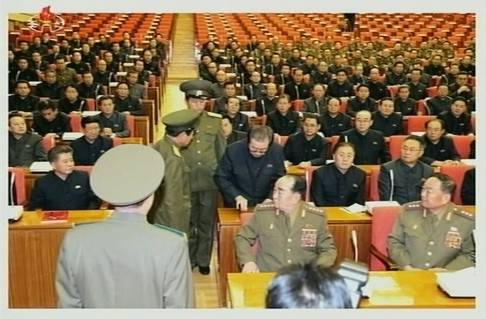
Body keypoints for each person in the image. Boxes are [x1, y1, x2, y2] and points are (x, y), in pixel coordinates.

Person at [55, 144, 194, 308]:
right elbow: (179, 307)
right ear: (152, 195)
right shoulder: (171, 244)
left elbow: (68, 304)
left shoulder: (75, 239)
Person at [234, 174, 337, 272]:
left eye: (280, 192)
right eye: (274, 191)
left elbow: (328, 249)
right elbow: (242, 237)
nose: (274, 196)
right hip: (268, 275)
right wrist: (248, 261)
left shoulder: (316, 217)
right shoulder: (263, 213)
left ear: (295, 198)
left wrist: (317, 270)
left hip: (302, 277)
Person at [179, 79, 226, 275]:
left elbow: (221, 151)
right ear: (186, 101)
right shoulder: (177, 121)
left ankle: (203, 259)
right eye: (194, 101)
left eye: (202, 101)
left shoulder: (214, 121)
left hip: (208, 181)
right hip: (186, 181)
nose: (198, 105)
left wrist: (220, 177)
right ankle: (189, 259)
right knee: (188, 223)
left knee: (206, 223)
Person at [387, 173, 475, 271]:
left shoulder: (466, 221)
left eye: (429, 191)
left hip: (446, 280)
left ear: (446, 197)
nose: (422, 194)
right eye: (423, 189)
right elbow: (394, 241)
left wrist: (448, 270)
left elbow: (471, 254)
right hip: (409, 275)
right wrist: (407, 266)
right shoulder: (408, 212)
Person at [148, 109, 200, 234]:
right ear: (182, 135)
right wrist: (177, 231)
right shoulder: (173, 159)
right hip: (169, 221)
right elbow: (172, 199)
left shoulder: (161, 145)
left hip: (157, 215)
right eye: (192, 133)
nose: (192, 137)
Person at [214, 124, 286, 211]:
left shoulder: (276, 151)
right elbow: (220, 177)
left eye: (263, 150)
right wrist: (236, 195)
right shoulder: (233, 150)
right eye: (254, 148)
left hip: (266, 202)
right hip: (237, 202)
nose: (258, 153)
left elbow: (280, 177)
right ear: (248, 141)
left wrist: (270, 198)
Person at [28, 145, 100, 211]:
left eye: (71, 160)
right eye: (65, 162)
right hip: (55, 221)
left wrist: (88, 215)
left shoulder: (83, 176)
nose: (70, 164)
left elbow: (93, 200)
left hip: (82, 219)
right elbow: (36, 206)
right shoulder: (42, 183)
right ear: (53, 165)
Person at [265, 262, 352, 308]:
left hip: (314, 280)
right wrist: (250, 261)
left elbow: (328, 249)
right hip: (270, 273)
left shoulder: (319, 227)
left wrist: (316, 271)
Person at [379, 135, 434, 204]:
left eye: (412, 149)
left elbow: (429, 195)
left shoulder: (428, 170)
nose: (407, 152)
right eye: (404, 148)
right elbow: (385, 197)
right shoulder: (388, 168)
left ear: (420, 153)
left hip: (419, 209)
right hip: (396, 209)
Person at [311, 142, 366, 207]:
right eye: (341, 155)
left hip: (350, 214)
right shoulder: (320, 173)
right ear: (334, 156)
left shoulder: (360, 174)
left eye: (349, 156)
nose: (345, 159)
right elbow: (318, 201)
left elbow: (359, 201)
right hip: (327, 213)